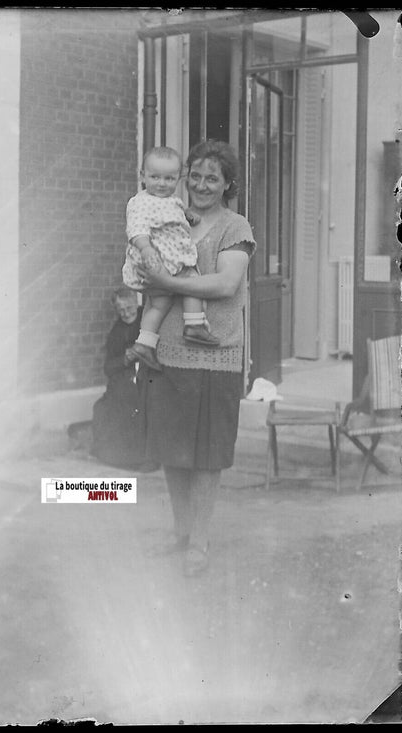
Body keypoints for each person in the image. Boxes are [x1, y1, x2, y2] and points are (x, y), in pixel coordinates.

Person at [137, 139, 256, 577]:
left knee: (207, 455)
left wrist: (168, 280)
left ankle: (199, 544)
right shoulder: (168, 216)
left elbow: (225, 285)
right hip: (168, 352)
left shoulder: (235, 227)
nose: (203, 184)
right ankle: (180, 533)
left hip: (215, 355)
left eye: (213, 178)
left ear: (227, 184)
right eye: (197, 175)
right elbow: (143, 260)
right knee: (173, 450)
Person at [122, 146, 219, 372]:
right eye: (155, 177)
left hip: (166, 258)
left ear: (178, 178)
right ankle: (194, 323)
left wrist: (188, 215)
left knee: (159, 303)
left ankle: (144, 344)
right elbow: (136, 229)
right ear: (142, 176)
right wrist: (146, 249)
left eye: (169, 178)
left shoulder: (173, 201)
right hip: (157, 257)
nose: (162, 183)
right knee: (192, 280)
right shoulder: (140, 202)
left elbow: (174, 213)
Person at [91, 286, 158, 471]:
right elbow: (108, 367)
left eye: (129, 308)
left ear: (135, 304)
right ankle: (120, 457)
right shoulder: (116, 332)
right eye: (121, 311)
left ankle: (146, 458)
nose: (126, 313)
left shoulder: (148, 321)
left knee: (139, 401)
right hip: (126, 377)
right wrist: (125, 358)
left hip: (151, 376)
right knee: (108, 405)